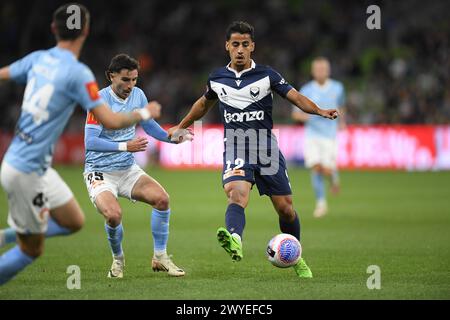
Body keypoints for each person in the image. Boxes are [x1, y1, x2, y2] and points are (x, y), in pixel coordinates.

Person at [0, 3, 160, 285]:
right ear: (85, 31)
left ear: (53, 29)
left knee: (74, 221)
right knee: (31, 249)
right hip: (26, 169)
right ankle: (19, 237)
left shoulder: (37, 58)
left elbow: (4, 74)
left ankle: (7, 235)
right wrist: (145, 113)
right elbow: (109, 121)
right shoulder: (78, 74)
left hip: (29, 164)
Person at [168, 21, 338, 278]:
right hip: (236, 143)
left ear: (252, 47)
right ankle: (235, 237)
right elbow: (203, 104)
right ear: (227, 46)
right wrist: (181, 126)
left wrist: (320, 111)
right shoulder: (217, 78)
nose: (240, 50)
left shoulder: (267, 75)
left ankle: (296, 256)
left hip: (265, 147)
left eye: (245, 45)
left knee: (285, 208)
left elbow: (296, 97)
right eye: (235, 44)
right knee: (236, 193)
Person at [83, 53, 187, 278]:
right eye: (125, 80)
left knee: (162, 199)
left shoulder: (139, 95)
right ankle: (118, 260)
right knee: (113, 215)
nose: (131, 85)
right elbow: (90, 142)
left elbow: (150, 127)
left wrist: (173, 137)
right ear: (111, 76)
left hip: (127, 169)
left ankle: (160, 257)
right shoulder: (98, 101)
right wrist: (125, 146)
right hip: (99, 171)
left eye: (134, 80)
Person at [291, 57, 346, 218]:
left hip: (329, 136)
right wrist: (307, 117)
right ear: (313, 71)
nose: (321, 71)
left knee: (327, 170)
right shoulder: (306, 90)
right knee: (316, 168)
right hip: (312, 136)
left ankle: (333, 178)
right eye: (318, 69)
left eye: (324, 69)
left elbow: (342, 106)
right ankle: (321, 203)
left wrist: (342, 121)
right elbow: (295, 114)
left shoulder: (338, 88)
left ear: (328, 71)